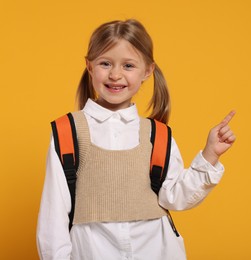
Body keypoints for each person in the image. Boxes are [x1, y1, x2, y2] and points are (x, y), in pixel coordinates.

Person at [36, 19, 236, 260]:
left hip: (158, 250)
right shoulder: (67, 132)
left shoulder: (158, 134)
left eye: (128, 65)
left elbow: (175, 196)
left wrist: (210, 155)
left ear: (148, 71)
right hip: (92, 251)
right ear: (89, 67)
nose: (115, 74)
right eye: (105, 63)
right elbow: (53, 215)